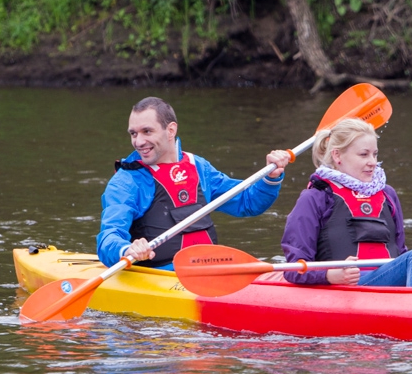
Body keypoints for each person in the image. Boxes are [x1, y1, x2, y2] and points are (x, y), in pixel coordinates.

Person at [97, 96, 291, 270]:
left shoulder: (198, 167)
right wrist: (127, 249)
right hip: (160, 276)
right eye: (133, 133)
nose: (138, 141)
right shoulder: (127, 181)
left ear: (170, 130)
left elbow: (247, 203)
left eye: (147, 131)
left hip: (208, 270)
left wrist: (270, 178)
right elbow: (109, 237)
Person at [281, 118, 412, 287]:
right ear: (337, 156)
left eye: (375, 154)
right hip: (349, 285)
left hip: (386, 279)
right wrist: (330, 276)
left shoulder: (387, 194)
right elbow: (293, 268)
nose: (373, 162)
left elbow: (401, 253)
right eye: (364, 155)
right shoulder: (316, 197)